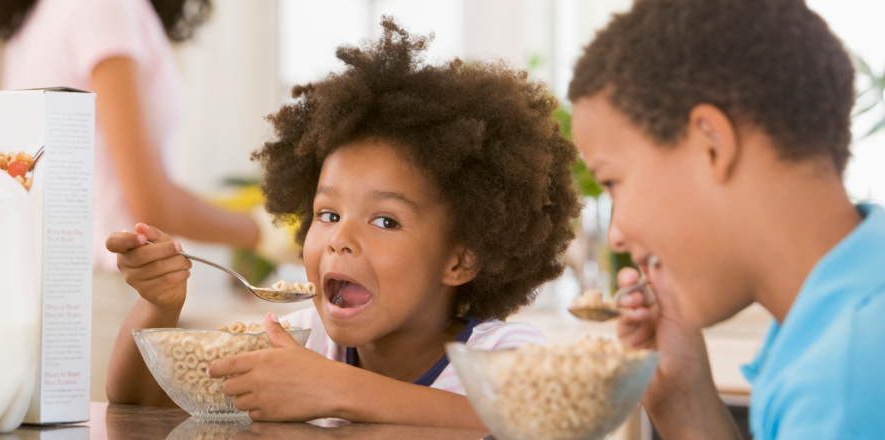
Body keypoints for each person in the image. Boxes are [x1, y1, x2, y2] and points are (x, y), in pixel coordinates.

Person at [104, 18, 580, 427]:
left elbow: (537, 421)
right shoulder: (299, 339)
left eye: (385, 220)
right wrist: (158, 306)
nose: (339, 239)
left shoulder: (502, 354)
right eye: (327, 214)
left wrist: (336, 389)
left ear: (460, 260)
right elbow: (137, 402)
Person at [566, 0, 885, 438]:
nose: (617, 236)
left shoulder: (845, 378)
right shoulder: (841, 322)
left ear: (711, 145)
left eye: (613, 182)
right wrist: (682, 401)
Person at [0, 0, 260, 270]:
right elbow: (152, 205)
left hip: (59, 278)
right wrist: (263, 232)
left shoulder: (41, 13)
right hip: (105, 285)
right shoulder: (103, 7)